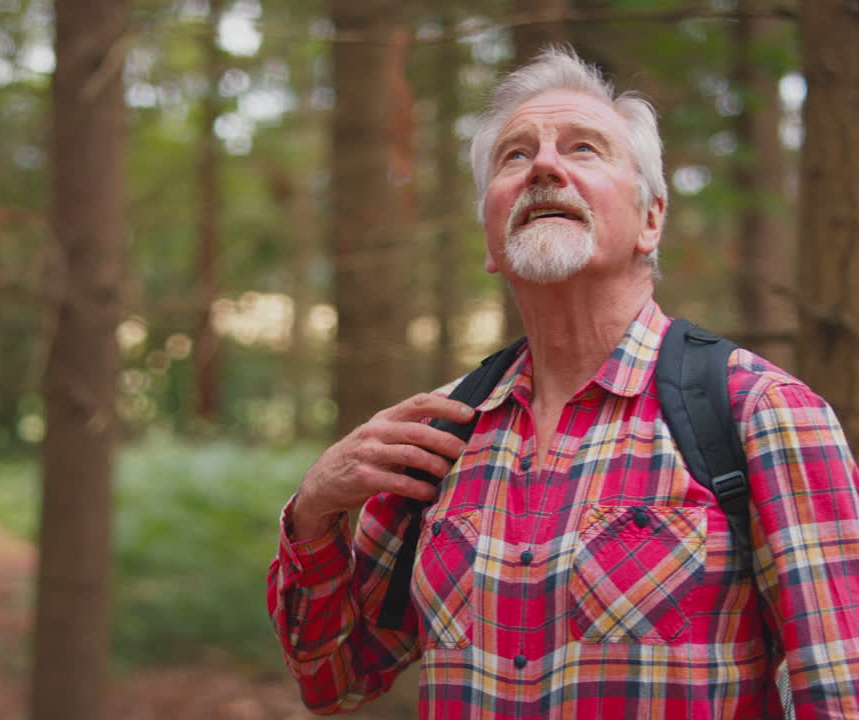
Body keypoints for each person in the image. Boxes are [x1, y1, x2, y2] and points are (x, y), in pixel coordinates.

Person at [266, 46, 859, 719]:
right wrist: (313, 512)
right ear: (490, 241)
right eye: (514, 156)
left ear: (651, 220)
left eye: (583, 149)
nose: (543, 166)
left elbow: (840, 693)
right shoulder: (440, 432)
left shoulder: (762, 412)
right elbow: (335, 678)